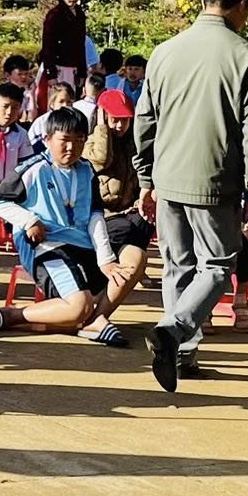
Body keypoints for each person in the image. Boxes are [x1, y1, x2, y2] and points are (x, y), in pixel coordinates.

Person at [138, 0, 248, 392]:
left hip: (167, 177)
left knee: (177, 265)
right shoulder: (246, 55)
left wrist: (145, 178)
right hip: (215, 180)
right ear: (242, 5)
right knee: (216, 266)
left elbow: (145, 120)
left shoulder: (164, 51)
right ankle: (174, 330)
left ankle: (181, 354)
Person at [0, 108, 122, 345]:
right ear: (47, 139)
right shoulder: (34, 168)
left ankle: (88, 322)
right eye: (64, 140)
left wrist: (106, 258)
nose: (71, 147)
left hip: (82, 246)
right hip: (47, 247)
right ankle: (14, 315)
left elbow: (96, 214)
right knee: (80, 306)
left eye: (79, 140)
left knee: (130, 265)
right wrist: (30, 221)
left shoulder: (86, 170)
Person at [86, 88, 152, 342]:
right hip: (98, 218)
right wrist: (102, 128)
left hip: (125, 216)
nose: (120, 125)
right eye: (115, 118)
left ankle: (98, 317)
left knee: (139, 243)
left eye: (125, 120)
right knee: (127, 227)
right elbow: (101, 160)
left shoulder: (133, 146)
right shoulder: (90, 143)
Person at [38, 0, 89, 94]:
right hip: (58, 67)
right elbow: (48, 46)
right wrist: (51, 74)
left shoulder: (80, 14)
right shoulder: (55, 15)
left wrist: (82, 72)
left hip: (74, 68)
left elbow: (80, 45)